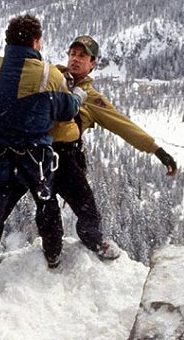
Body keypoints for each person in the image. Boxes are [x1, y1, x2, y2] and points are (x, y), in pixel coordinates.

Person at [0, 14, 85, 293]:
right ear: (35, 41)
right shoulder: (47, 74)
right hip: (35, 161)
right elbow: (67, 111)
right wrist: (79, 96)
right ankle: (53, 254)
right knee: (46, 205)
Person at [49, 35, 177, 260]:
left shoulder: (92, 99)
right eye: (73, 54)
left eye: (83, 56)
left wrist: (156, 149)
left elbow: (122, 125)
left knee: (87, 210)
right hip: (31, 152)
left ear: (92, 64)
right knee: (25, 204)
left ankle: (90, 243)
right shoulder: (50, 77)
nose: (75, 60)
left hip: (64, 160)